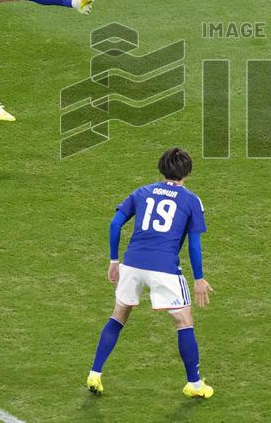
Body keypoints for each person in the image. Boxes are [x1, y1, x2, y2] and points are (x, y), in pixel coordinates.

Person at [86, 148, 215, 398]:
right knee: (184, 321)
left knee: (118, 317)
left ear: (161, 168)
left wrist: (114, 260)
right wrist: (199, 278)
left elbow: (114, 224)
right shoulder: (191, 200)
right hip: (164, 268)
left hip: (132, 264)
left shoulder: (142, 192)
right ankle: (195, 385)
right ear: (187, 172)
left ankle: (95, 373)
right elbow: (194, 244)